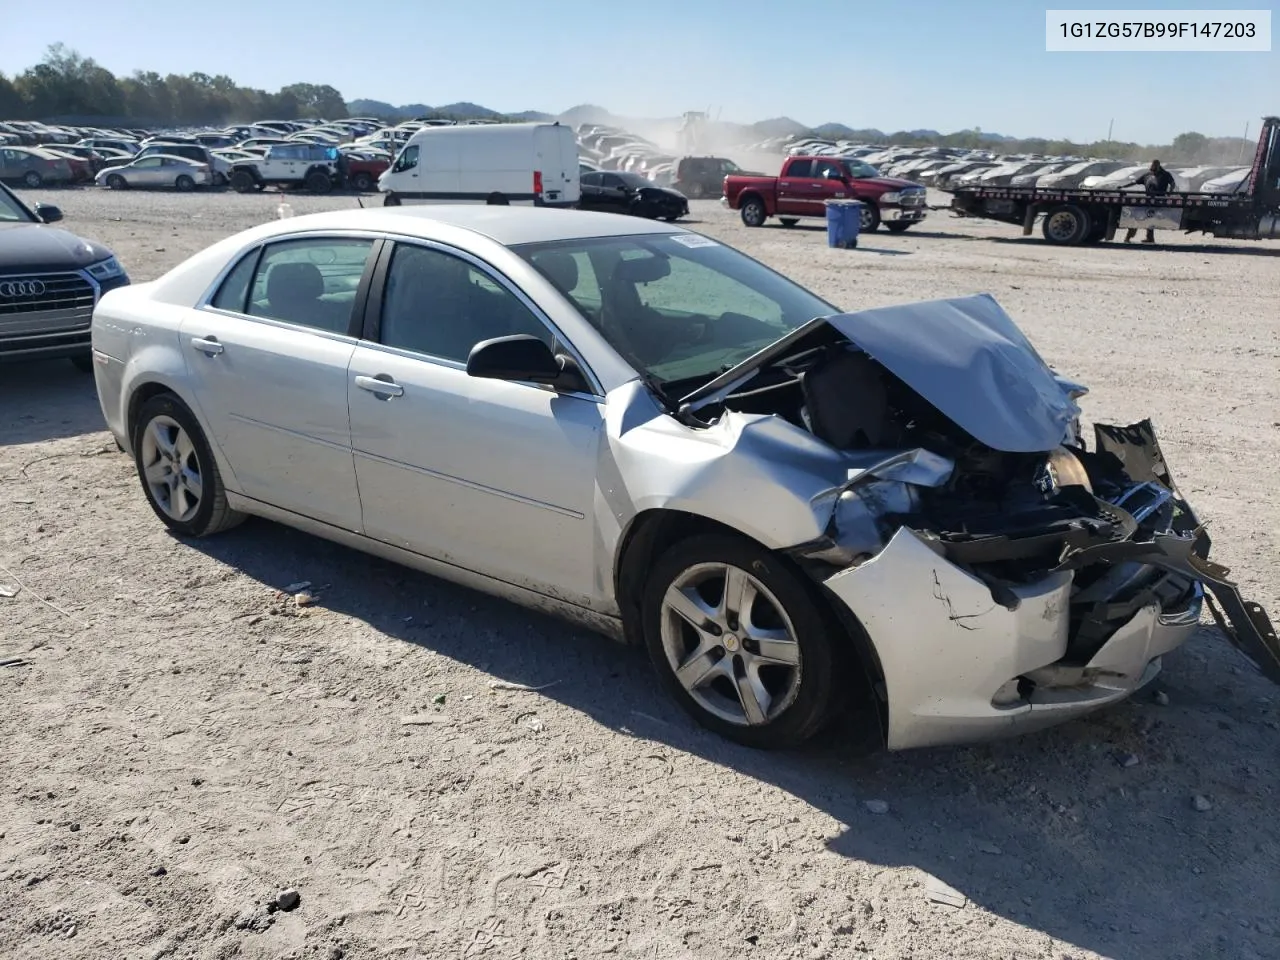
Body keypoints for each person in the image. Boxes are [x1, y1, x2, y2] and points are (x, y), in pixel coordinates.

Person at [1123, 160, 1177, 244]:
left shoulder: (1165, 174)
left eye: (1155, 166)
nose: (1153, 168)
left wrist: (1170, 192)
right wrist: (1123, 186)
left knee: (1149, 217)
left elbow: (1172, 183)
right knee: (1138, 216)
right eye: (1152, 166)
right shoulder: (1147, 175)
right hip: (1148, 200)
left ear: (1159, 166)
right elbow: (1135, 182)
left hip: (1159, 200)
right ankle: (1135, 237)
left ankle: (1148, 237)